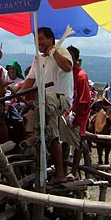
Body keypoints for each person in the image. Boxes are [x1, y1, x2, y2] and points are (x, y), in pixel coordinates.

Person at [18, 27, 73, 184]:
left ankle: (37, 134)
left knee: (43, 101)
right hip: (45, 103)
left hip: (60, 99)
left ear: (50, 39)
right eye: (36, 39)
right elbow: (30, 80)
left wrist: (53, 52)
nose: (38, 42)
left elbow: (67, 67)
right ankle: (60, 173)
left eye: (41, 39)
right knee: (53, 136)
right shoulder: (37, 59)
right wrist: (16, 97)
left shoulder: (61, 51)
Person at [59, 45, 91, 181]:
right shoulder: (65, 73)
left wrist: (73, 113)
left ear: (76, 60)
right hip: (66, 109)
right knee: (62, 140)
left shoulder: (81, 76)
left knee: (77, 142)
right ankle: (63, 167)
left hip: (79, 114)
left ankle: (74, 170)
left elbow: (84, 99)